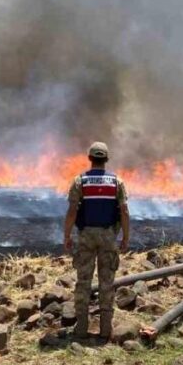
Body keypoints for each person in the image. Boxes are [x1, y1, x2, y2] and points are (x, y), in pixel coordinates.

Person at [63, 141, 130, 342]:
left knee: (83, 280)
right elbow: (124, 211)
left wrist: (67, 235)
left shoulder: (79, 181)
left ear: (90, 158)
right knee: (107, 282)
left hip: (85, 236)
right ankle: (104, 330)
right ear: (106, 159)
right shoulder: (116, 182)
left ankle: (81, 329)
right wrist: (125, 237)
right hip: (109, 236)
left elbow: (73, 211)